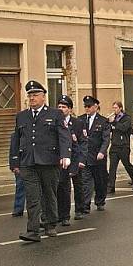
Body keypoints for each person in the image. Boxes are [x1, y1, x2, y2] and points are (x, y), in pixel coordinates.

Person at [9, 80, 71, 242]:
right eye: (29, 95)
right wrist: (14, 162)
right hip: (28, 162)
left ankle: (50, 224)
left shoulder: (55, 114)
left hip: (49, 161)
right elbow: (16, 139)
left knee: (49, 194)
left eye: (35, 95)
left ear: (43, 96)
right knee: (32, 196)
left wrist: (65, 155)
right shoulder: (21, 116)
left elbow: (64, 136)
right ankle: (33, 230)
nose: (32, 98)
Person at [55, 95, 86, 226]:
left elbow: (83, 143)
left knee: (78, 185)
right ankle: (63, 215)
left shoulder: (77, 123)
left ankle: (79, 209)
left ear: (70, 109)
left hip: (75, 158)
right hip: (62, 160)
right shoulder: (55, 121)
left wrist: (82, 159)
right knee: (63, 187)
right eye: (59, 107)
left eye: (64, 107)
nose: (61, 109)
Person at [77, 95, 110, 212]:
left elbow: (106, 139)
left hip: (98, 156)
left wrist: (102, 152)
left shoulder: (103, 121)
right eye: (85, 106)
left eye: (89, 106)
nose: (87, 108)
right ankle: (86, 204)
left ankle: (100, 201)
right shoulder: (80, 120)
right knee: (86, 181)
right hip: (85, 155)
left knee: (100, 180)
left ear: (96, 107)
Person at [107, 101, 133, 193]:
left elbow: (124, 128)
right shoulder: (114, 118)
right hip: (114, 146)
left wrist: (114, 122)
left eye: (116, 108)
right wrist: (108, 122)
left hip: (123, 146)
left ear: (120, 108)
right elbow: (109, 129)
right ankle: (111, 186)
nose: (114, 110)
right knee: (112, 167)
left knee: (127, 165)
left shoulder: (126, 118)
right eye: (113, 108)